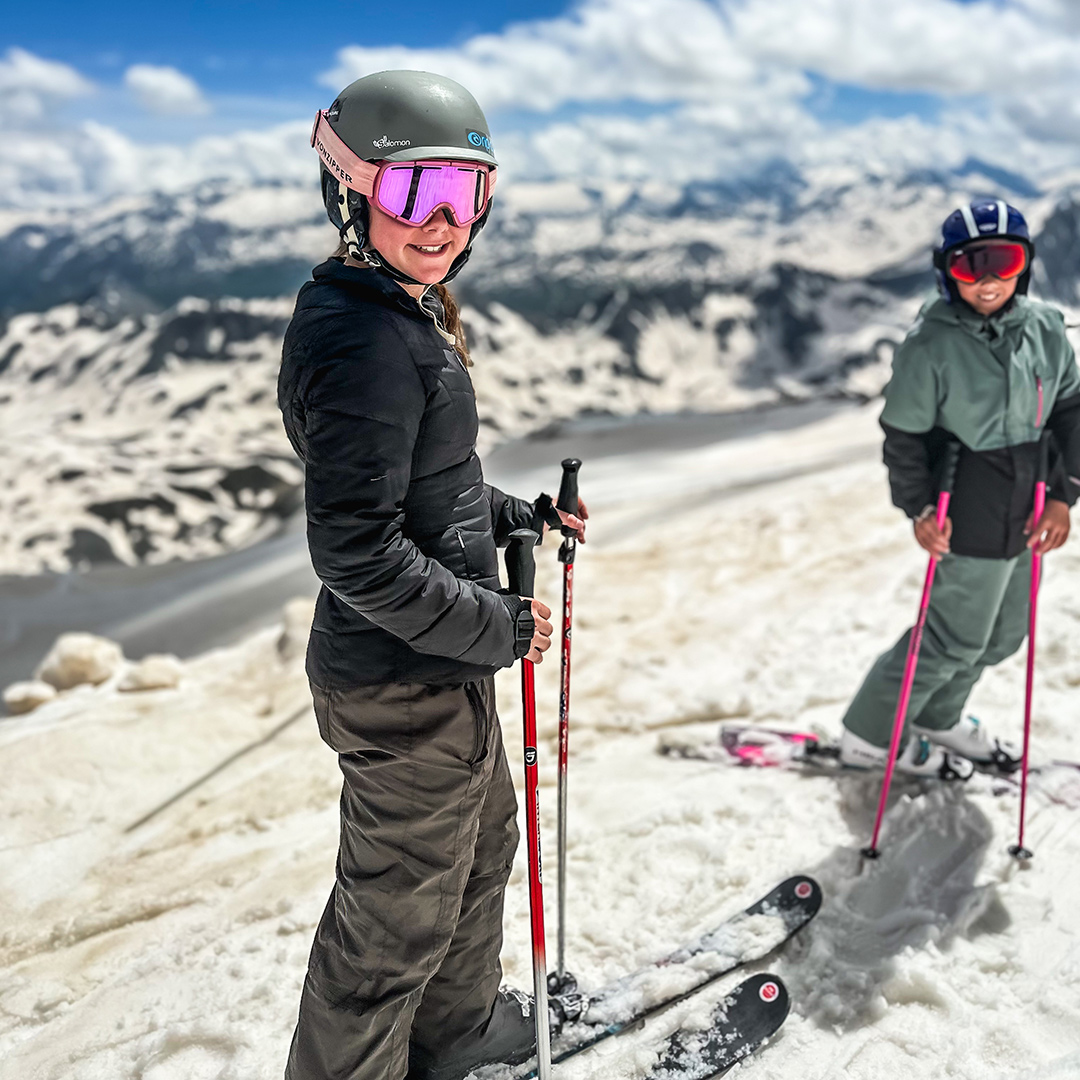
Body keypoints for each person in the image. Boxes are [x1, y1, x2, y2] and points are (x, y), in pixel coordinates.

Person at [277, 70, 586, 1080]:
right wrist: (501, 627)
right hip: (400, 683)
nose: (446, 220)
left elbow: (431, 492)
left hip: (434, 666)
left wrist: (516, 517)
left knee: (478, 853)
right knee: (391, 923)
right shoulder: (365, 339)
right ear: (352, 190)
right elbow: (358, 550)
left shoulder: (395, 307)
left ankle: (452, 1038)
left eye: (468, 191)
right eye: (416, 192)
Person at [839, 198, 1080, 777]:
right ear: (948, 271)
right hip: (966, 506)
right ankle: (870, 735)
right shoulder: (932, 345)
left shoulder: (1044, 328)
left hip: (1028, 506)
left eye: (1006, 260)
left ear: (1025, 263)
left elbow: (1072, 411)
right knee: (950, 638)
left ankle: (936, 717)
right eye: (972, 265)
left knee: (1001, 637)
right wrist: (918, 507)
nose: (991, 278)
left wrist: (1063, 495)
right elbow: (903, 438)